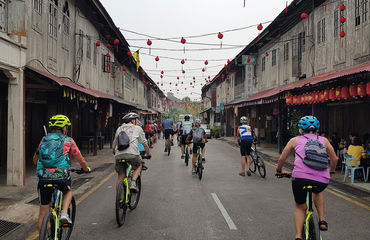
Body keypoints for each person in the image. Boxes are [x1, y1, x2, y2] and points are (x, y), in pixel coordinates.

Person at [276, 116, 337, 240]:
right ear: (317, 130)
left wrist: (279, 170)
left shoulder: (295, 140)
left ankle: (298, 236)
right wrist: (331, 171)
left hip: (299, 178)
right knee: (318, 191)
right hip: (322, 179)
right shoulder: (324, 140)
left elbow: (282, 158)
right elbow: (335, 159)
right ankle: (322, 220)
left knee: (300, 206)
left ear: (300, 129)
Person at [33, 114, 91, 232]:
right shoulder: (68, 140)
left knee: (43, 211)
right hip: (61, 176)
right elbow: (80, 159)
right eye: (67, 127)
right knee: (68, 191)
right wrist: (86, 169)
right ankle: (64, 213)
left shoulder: (44, 139)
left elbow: (35, 160)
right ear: (64, 128)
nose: (67, 129)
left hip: (43, 177)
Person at [113, 112, 151, 192]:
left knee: (120, 176)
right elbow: (144, 143)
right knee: (139, 165)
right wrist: (148, 154)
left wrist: (114, 152)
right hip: (133, 154)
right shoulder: (137, 128)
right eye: (137, 119)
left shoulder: (119, 128)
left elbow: (114, 144)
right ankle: (133, 183)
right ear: (133, 121)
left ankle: (119, 200)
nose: (138, 121)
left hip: (119, 155)